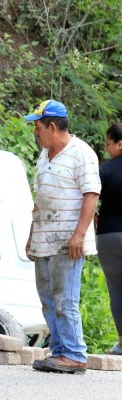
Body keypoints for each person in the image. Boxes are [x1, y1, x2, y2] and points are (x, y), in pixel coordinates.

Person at [23, 100, 100, 374]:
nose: (36, 132)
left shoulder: (81, 153)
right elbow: (39, 200)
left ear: (52, 126)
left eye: (38, 127)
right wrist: (32, 234)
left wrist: (79, 235)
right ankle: (59, 352)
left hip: (68, 240)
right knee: (48, 299)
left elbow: (91, 194)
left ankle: (75, 354)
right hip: (45, 238)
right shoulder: (44, 156)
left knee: (65, 299)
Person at [96, 122, 122, 356]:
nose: (106, 149)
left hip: (109, 235)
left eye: (108, 144)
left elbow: (91, 197)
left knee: (116, 290)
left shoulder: (105, 170)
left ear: (120, 144)